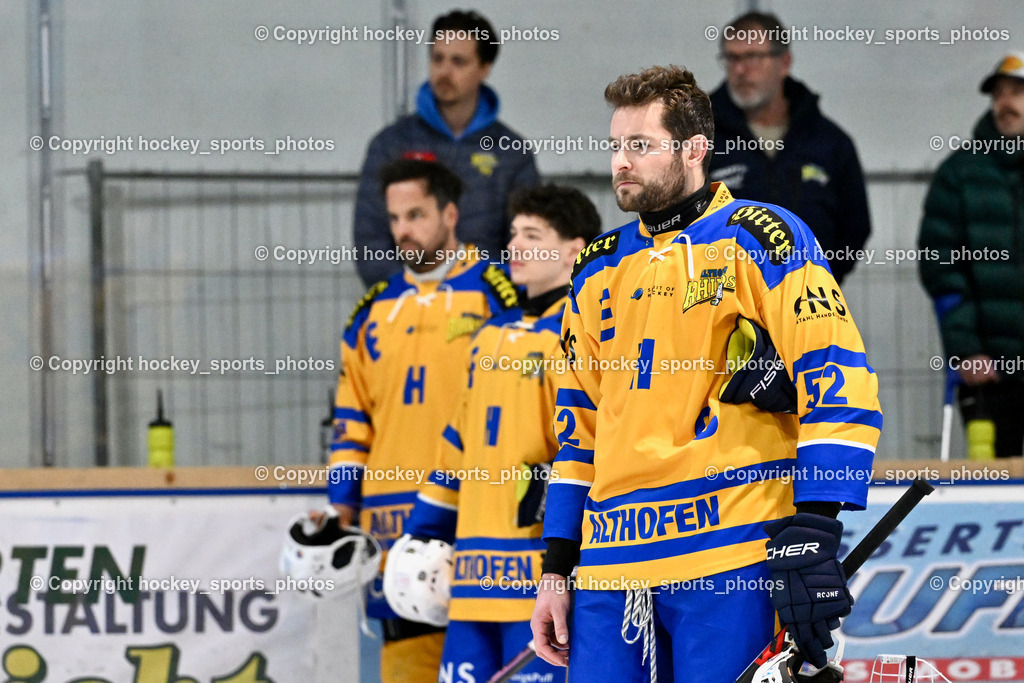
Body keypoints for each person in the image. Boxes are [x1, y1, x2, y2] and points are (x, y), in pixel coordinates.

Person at [530, 65, 882, 682]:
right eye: (616, 146)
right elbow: (575, 433)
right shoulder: (594, 268)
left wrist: (817, 525)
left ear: (694, 149)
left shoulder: (762, 239)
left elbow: (839, 377)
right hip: (610, 569)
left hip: (732, 555)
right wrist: (556, 571)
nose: (621, 162)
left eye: (640, 146)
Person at [394, 185, 601, 683]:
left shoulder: (581, 334)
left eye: (533, 235)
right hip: (470, 579)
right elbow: (457, 442)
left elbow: (594, 444)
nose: (515, 247)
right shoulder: (487, 335)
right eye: (513, 234)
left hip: (538, 582)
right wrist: (423, 531)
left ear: (575, 249)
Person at [325, 158, 518, 682]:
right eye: (394, 218)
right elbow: (351, 419)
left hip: (480, 522)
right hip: (391, 534)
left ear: (449, 214)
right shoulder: (371, 312)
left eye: (415, 214)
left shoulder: (500, 293)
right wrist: (341, 504)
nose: (402, 230)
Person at [354, 9, 541, 287]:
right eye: (437, 58)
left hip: (487, 308)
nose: (444, 71)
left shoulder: (511, 152)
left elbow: (528, 240)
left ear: (484, 68)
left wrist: (489, 295)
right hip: (407, 309)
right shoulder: (391, 144)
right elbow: (370, 240)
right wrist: (414, 293)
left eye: (458, 61)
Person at [708, 11, 871, 284]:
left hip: (810, 302)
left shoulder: (828, 142)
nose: (739, 70)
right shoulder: (700, 139)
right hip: (723, 307)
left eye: (752, 57)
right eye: (731, 58)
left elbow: (855, 226)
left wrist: (822, 278)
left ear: (784, 63)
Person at [918, 51, 1024, 459]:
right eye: (999, 93)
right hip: (988, 372)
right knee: (993, 479)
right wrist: (967, 350)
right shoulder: (959, 173)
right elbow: (943, 269)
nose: (1006, 103)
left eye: (1017, 92)